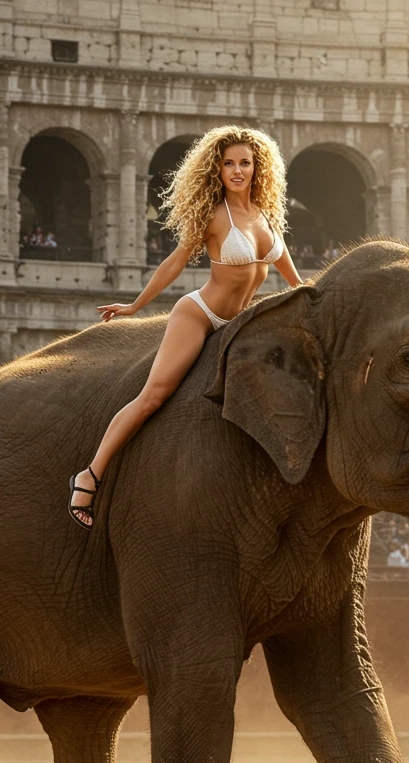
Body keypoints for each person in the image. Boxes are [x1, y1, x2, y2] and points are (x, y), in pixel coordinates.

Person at [68, 125, 302, 530]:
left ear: (257, 168)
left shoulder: (266, 216)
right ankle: (89, 475)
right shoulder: (214, 215)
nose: (237, 171)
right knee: (153, 397)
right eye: (228, 164)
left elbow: (294, 279)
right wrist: (136, 305)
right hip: (200, 314)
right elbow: (175, 262)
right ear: (217, 170)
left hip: (239, 323)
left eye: (245, 163)